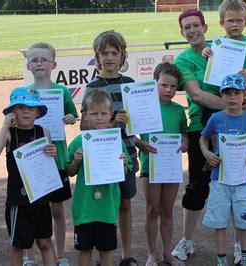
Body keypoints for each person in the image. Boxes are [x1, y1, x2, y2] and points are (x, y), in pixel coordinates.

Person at [171, 9, 227, 262]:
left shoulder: (223, 50)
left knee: (235, 184)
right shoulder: (183, 61)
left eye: (196, 25)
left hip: (230, 125)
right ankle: (187, 241)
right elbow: (198, 95)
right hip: (199, 127)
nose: (192, 30)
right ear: (182, 33)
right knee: (197, 186)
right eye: (187, 27)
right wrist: (234, 107)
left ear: (205, 27)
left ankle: (238, 244)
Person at [81, 30, 138, 266]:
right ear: (97, 56)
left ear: (123, 55)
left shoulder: (131, 84)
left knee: (125, 204)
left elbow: (140, 122)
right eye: (104, 53)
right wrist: (113, 124)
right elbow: (85, 128)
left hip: (126, 154)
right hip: (101, 158)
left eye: (115, 52)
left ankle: (126, 255)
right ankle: (105, 255)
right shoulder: (93, 87)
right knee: (103, 207)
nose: (110, 57)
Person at [199, 74, 246, 266]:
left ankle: (245, 255)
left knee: (244, 220)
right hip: (219, 179)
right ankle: (221, 258)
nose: (232, 97)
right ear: (221, 96)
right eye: (227, 93)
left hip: (244, 180)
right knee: (219, 222)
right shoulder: (216, 118)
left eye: (237, 93)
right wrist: (207, 153)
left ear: (245, 95)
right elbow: (203, 138)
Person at [0, 87, 57, 266]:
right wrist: (5, 125)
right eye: (20, 107)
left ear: (38, 112)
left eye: (31, 108)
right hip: (19, 200)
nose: (26, 111)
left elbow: (50, 165)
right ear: (12, 111)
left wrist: (53, 152)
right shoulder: (11, 134)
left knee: (45, 243)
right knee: (18, 246)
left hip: (41, 197)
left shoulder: (44, 132)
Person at [23, 42, 78, 266]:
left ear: (53, 64)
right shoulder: (25, 94)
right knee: (32, 210)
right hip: (34, 159)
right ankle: (30, 257)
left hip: (57, 158)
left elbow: (73, 116)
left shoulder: (61, 91)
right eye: (34, 60)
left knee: (57, 209)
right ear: (28, 65)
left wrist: (70, 118)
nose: (39, 63)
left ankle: (61, 254)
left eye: (44, 60)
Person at [202, 0, 246, 172]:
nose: (235, 24)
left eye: (239, 20)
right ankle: (217, 155)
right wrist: (206, 53)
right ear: (222, 23)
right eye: (230, 21)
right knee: (220, 122)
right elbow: (212, 62)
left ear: (245, 22)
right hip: (226, 92)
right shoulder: (219, 44)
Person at [67, 88, 132, 266]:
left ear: (111, 114)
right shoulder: (78, 142)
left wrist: (124, 164)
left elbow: (124, 175)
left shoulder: (116, 141)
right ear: (85, 115)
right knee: (85, 250)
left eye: (104, 113)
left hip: (107, 209)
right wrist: (76, 161)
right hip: (84, 209)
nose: (99, 117)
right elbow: (69, 172)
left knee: (107, 251)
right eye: (94, 113)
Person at [139, 63, 188, 266]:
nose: (168, 90)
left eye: (173, 87)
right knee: (152, 210)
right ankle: (152, 254)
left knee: (167, 211)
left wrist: (185, 141)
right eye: (164, 85)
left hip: (170, 167)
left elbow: (184, 132)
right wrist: (139, 143)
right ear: (154, 83)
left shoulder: (177, 110)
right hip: (150, 166)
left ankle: (168, 253)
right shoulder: (144, 106)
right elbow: (128, 133)